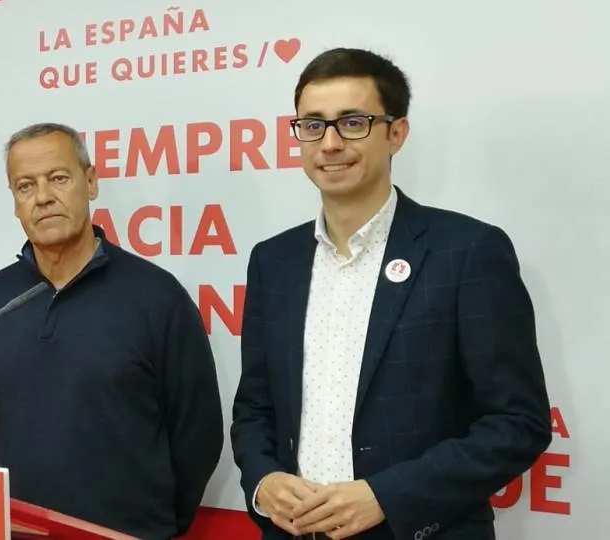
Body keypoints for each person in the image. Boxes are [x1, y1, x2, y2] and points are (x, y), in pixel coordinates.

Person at [230, 47, 552, 540]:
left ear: (396, 133)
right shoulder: (273, 261)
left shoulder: (466, 252)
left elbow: (517, 422)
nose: (330, 143)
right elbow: (255, 407)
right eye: (312, 125)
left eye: (353, 122)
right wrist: (264, 481)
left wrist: (389, 496)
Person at [0, 122, 224, 539]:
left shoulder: (157, 297)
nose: (43, 197)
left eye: (59, 178)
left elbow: (198, 434)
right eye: (26, 186)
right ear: (14, 201)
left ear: (90, 182)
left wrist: (156, 524)